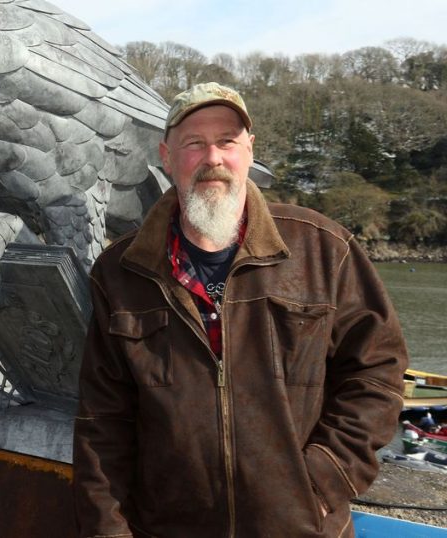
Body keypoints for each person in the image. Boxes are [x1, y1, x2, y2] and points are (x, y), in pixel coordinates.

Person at [72, 82, 408, 537]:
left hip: (303, 527)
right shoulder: (120, 271)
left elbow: (378, 372)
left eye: (227, 141)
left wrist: (322, 477)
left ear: (249, 151)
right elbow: (102, 423)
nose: (213, 158)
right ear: (167, 158)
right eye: (194, 143)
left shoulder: (324, 249)